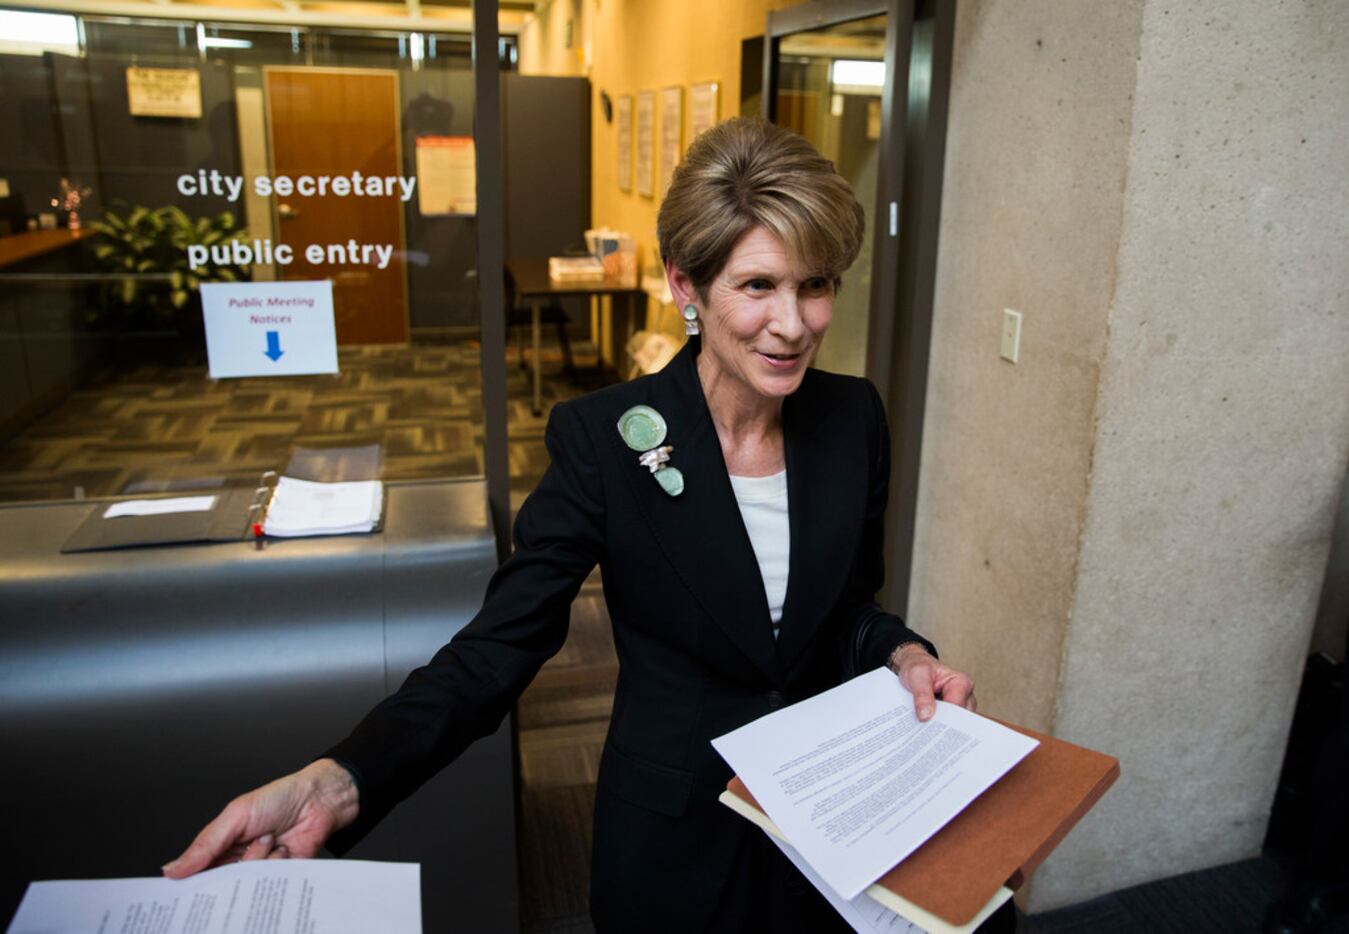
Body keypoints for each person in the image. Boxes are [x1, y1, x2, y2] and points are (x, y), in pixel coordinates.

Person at [165, 117, 992, 932]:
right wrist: (341, 779)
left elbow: (849, 607)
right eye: (757, 286)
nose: (793, 323)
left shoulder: (853, 417)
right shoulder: (603, 437)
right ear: (684, 286)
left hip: (830, 815)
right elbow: (501, 643)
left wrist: (902, 651)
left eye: (815, 286)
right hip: (678, 826)